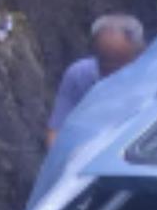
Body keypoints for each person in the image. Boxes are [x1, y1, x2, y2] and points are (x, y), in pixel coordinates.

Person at [46, 14, 145, 149]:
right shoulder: (79, 75)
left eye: (119, 66)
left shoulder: (155, 79)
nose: (111, 74)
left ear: (139, 55)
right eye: (104, 64)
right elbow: (56, 131)